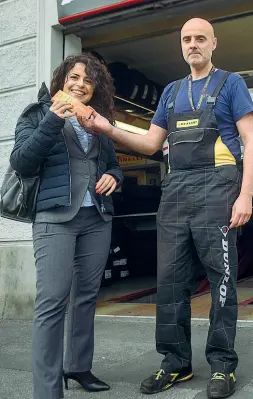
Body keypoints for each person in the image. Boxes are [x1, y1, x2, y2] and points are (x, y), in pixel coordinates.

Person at [77, 18, 253, 399]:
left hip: (219, 187)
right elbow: (150, 144)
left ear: (213, 44)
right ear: (181, 46)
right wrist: (105, 127)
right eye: (187, 39)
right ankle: (176, 363)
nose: (193, 44)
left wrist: (246, 195)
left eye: (200, 39)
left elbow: (249, 138)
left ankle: (223, 366)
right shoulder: (171, 92)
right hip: (175, 191)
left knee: (221, 280)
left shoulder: (231, 83)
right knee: (170, 282)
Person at [9, 53, 123, 399]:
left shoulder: (97, 122)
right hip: (55, 218)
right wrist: (52, 122)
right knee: (52, 301)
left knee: (86, 296)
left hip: (96, 218)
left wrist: (112, 177)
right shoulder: (38, 113)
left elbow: (114, 165)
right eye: (75, 77)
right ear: (62, 79)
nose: (80, 85)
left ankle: (78, 367)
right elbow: (22, 162)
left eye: (89, 80)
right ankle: (46, 390)